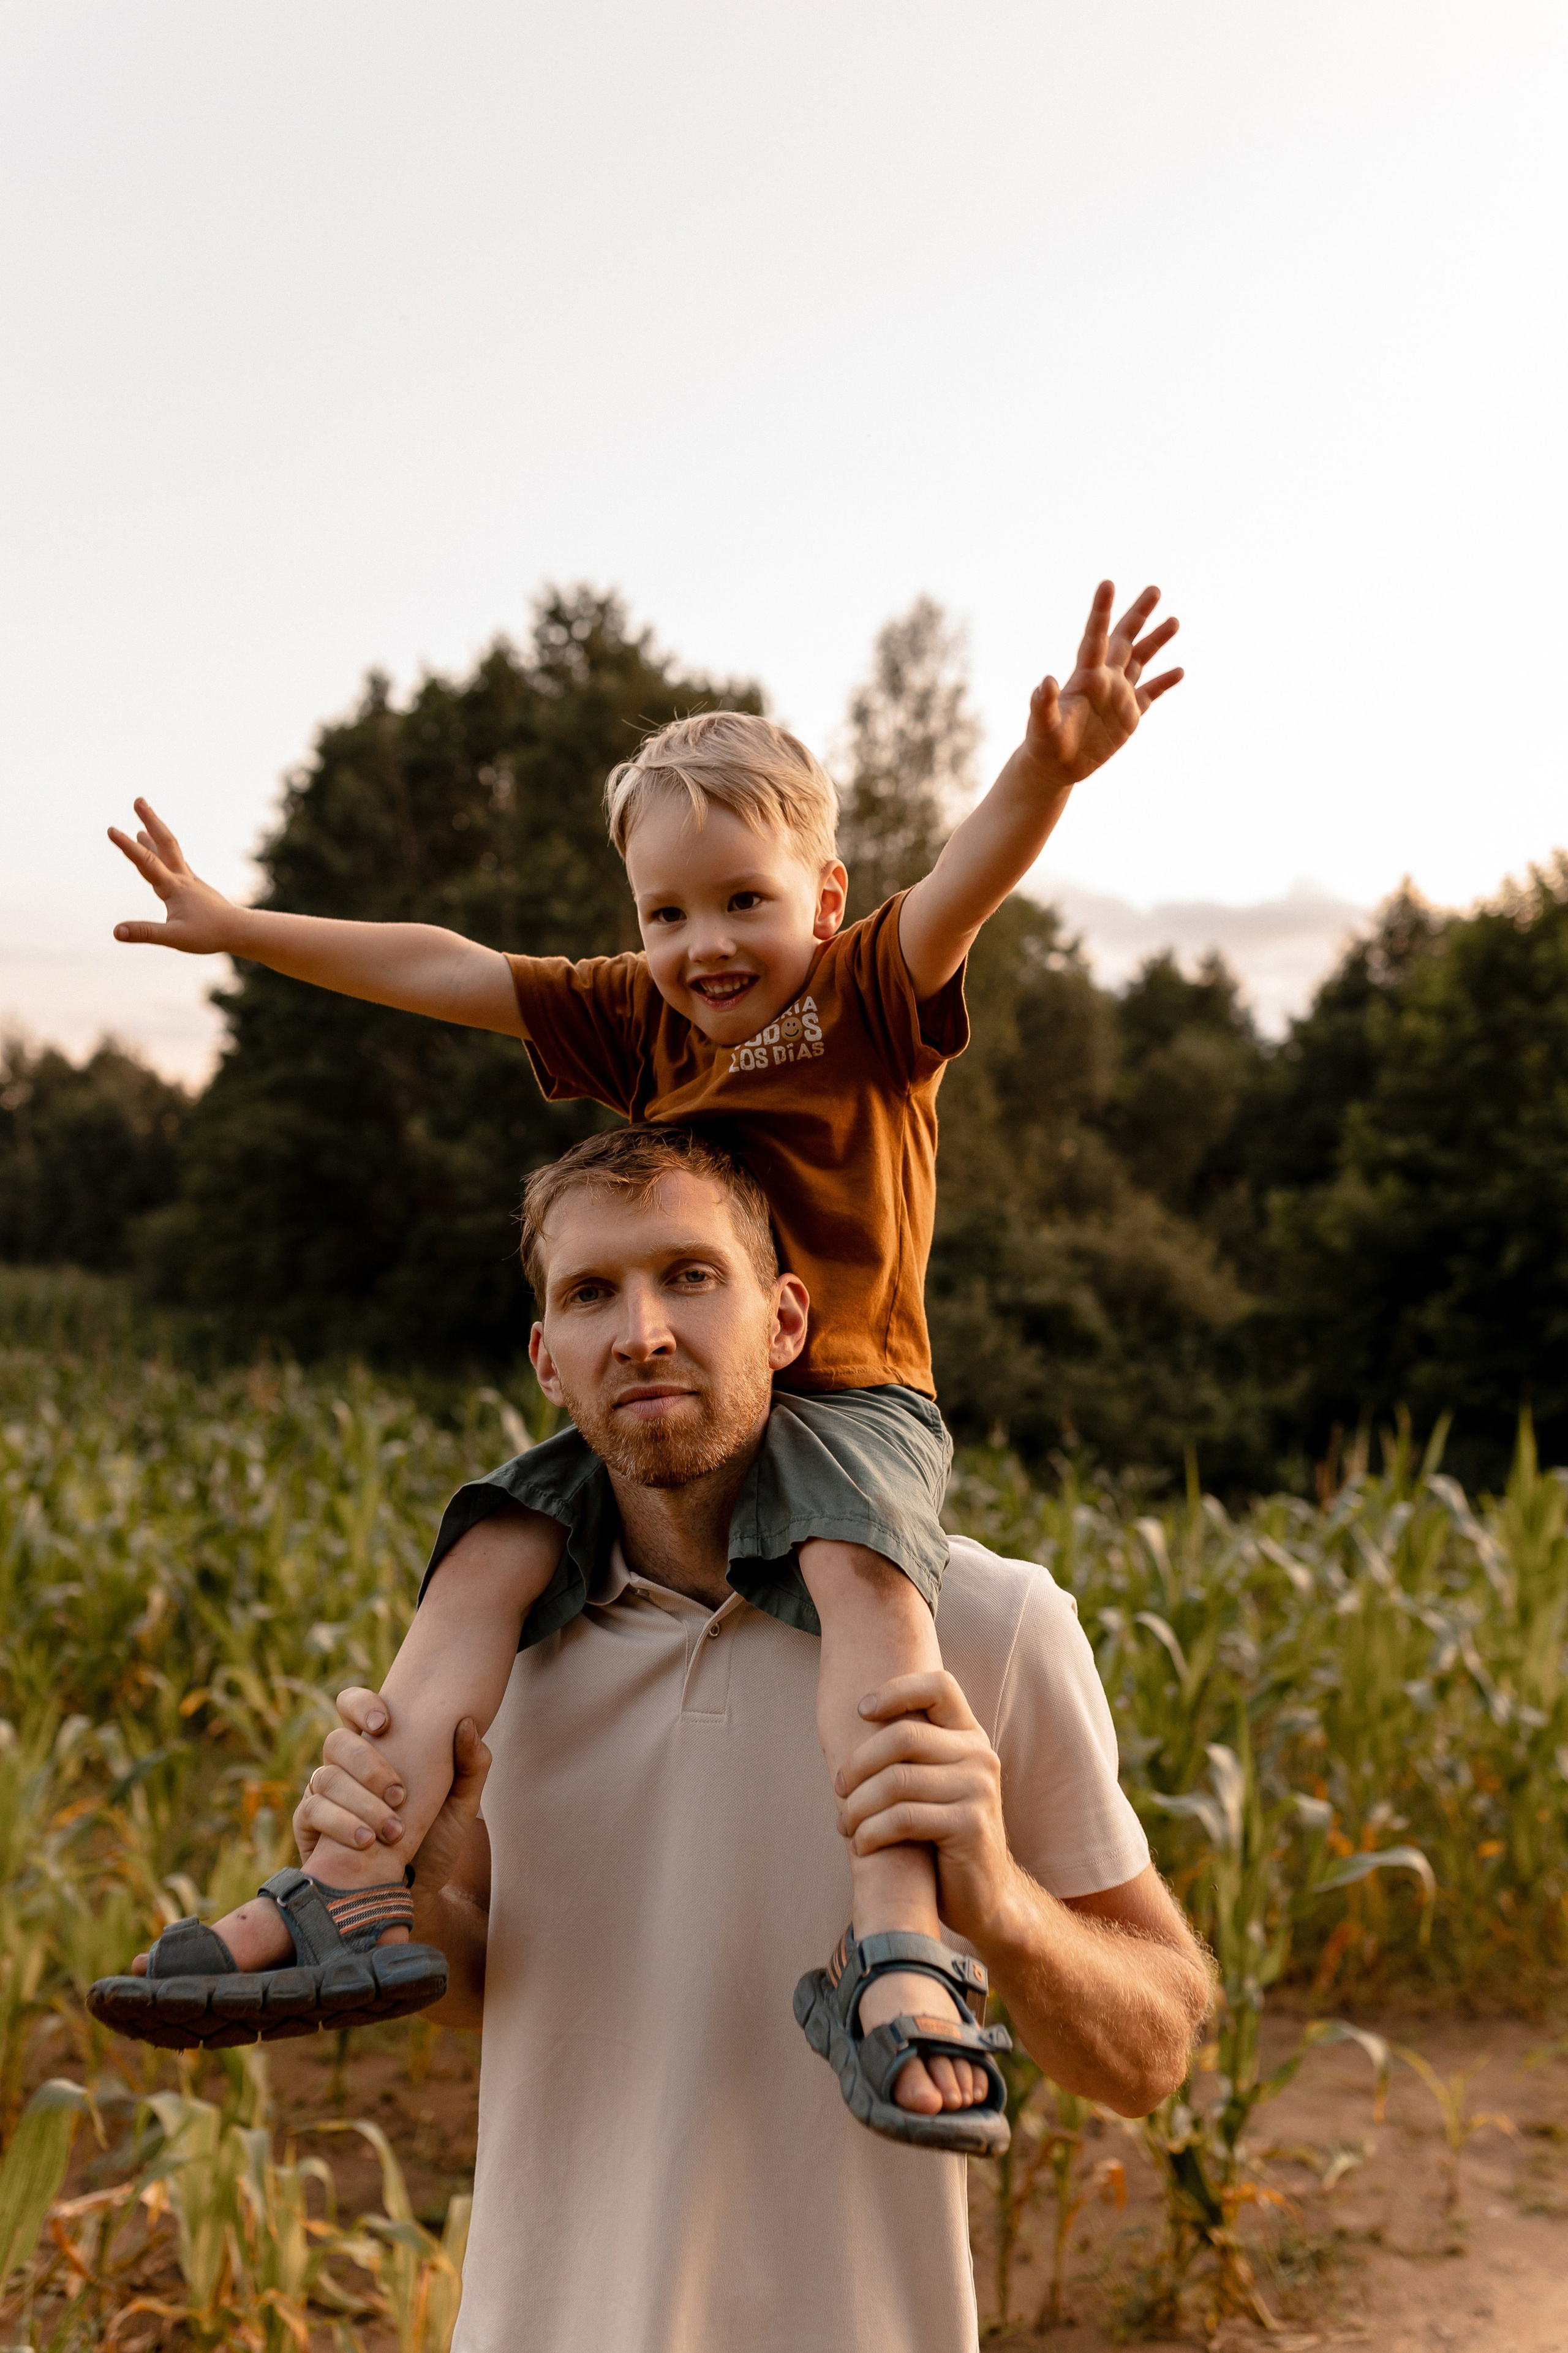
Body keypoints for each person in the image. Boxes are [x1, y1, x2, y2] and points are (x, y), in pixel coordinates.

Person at [94, 583, 1183, 2141]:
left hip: (849, 1398)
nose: (700, 944)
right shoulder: (639, 1022)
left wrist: (1050, 772)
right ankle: (344, 1888)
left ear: (822, 895)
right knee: (485, 1551)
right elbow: (448, 965)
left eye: (740, 900)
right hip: (676, 1419)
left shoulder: (868, 993)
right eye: (663, 914)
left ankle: (897, 1946)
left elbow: (965, 882)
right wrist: (238, 929)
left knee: (866, 1588)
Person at [288, 1136, 1212, 2353]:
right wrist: (406, 1895)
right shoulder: (491, 1652)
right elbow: (485, 1998)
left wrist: (993, 1898)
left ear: (783, 1319)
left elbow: (1152, 2055)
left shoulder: (984, 1627)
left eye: (688, 1274)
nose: (643, 1330)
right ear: (546, 1364)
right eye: (589, 1294)